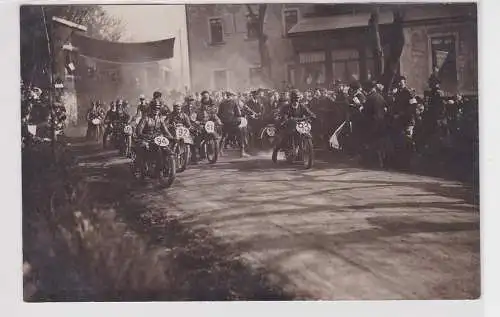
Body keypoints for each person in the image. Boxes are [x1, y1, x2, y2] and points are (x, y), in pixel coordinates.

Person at [135, 102, 174, 175]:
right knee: (143, 147)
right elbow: (139, 131)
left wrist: (171, 137)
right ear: (151, 109)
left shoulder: (160, 119)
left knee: (166, 147)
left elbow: (165, 130)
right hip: (146, 138)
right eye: (154, 108)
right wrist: (144, 135)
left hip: (157, 138)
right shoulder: (145, 118)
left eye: (158, 108)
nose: (156, 110)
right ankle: (142, 168)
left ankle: (165, 166)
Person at [217, 91, 250, 157]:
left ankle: (220, 151)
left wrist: (223, 120)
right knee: (240, 134)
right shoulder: (234, 102)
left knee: (223, 136)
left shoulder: (222, 103)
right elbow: (238, 114)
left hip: (224, 123)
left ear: (227, 95)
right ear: (231, 96)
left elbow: (219, 114)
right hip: (233, 123)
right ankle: (242, 152)